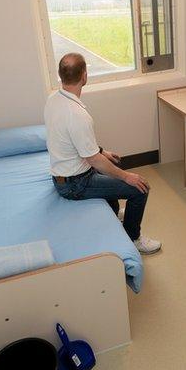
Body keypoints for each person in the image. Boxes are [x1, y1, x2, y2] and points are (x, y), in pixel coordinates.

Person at [43, 53, 162, 254]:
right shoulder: (77, 115)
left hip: (64, 176)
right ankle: (134, 239)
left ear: (61, 76)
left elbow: (78, 143)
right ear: (84, 75)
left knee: (113, 164)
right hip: (75, 184)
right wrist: (128, 177)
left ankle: (114, 213)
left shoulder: (53, 99)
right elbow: (93, 160)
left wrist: (103, 152)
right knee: (140, 187)